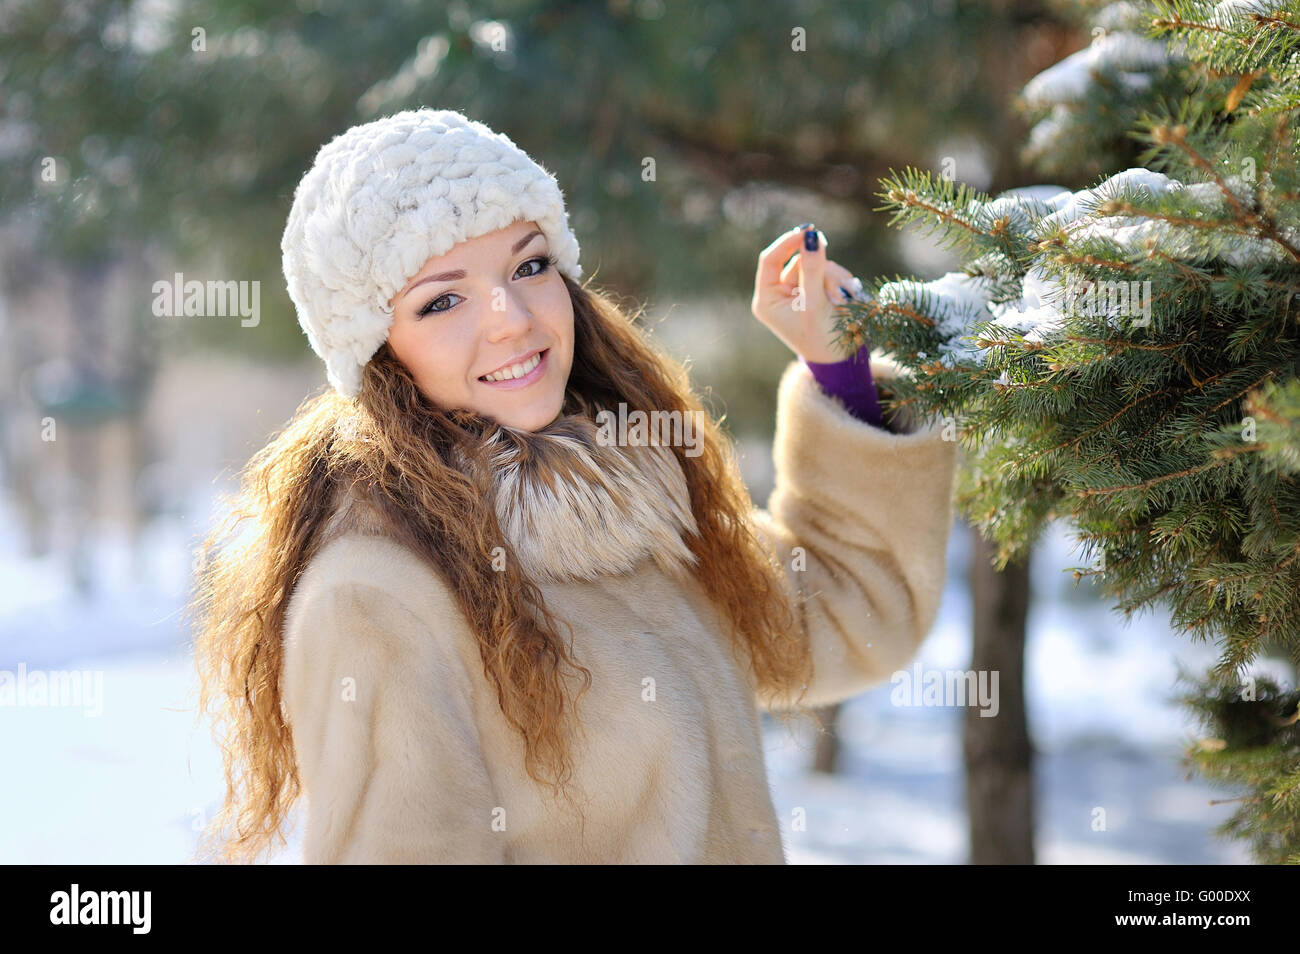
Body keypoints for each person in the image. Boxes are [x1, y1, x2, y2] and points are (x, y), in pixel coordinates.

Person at [190, 107, 957, 864]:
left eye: (529, 266)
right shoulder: (377, 596)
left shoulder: (624, 498)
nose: (512, 320)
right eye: (442, 300)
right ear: (376, 351)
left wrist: (841, 376)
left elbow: (846, 617)